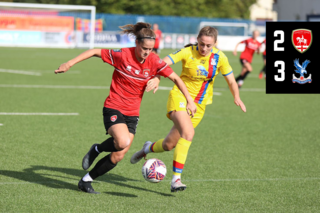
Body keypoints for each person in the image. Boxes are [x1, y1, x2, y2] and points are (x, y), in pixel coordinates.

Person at [54, 22, 196, 194]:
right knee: (122, 142)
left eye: (150, 49)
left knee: (119, 154)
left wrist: (189, 99)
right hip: (113, 106)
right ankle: (97, 149)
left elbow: (176, 78)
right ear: (136, 43)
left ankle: (86, 180)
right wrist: (69, 63)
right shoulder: (123, 54)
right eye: (144, 48)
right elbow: (94, 51)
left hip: (132, 114)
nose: (147, 52)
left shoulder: (154, 61)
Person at [130, 26, 246, 192]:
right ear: (197, 40)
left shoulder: (220, 57)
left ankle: (146, 148)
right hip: (180, 98)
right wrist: (156, 77)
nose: (204, 48)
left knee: (169, 144)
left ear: (215, 43)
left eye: (209, 45)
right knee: (188, 134)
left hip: (199, 106)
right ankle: (176, 180)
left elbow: (232, 81)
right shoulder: (187, 52)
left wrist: (237, 97)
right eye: (201, 44)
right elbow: (162, 63)